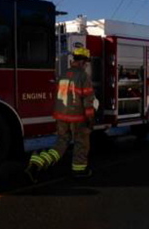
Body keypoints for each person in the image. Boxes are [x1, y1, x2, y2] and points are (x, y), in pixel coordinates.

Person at [25, 46, 96, 181]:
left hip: (61, 117)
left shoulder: (63, 74)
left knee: (61, 143)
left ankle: (38, 163)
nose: (86, 66)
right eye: (86, 63)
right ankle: (79, 170)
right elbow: (88, 99)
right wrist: (90, 118)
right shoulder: (83, 76)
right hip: (77, 118)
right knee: (81, 144)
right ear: (81, 62)